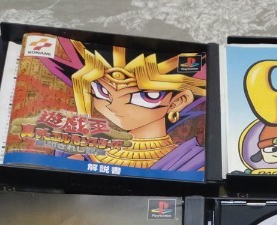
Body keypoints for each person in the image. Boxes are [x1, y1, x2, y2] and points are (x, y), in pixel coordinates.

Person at [62, 41, 207, 172]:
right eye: (103, 91)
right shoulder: (78, 155)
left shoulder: (193, 163)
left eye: (142, 97)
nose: (114, 105)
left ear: (177, 102)